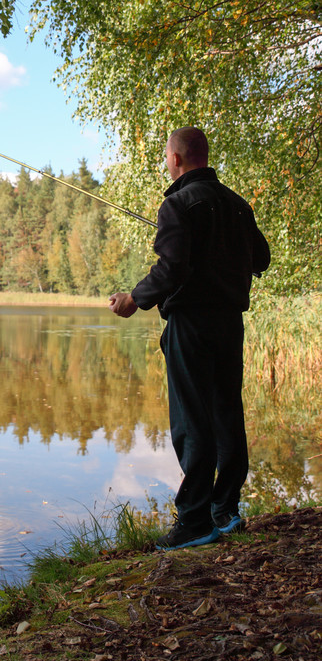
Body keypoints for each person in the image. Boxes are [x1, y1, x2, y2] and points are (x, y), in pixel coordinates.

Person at [109, 127, 270, 551]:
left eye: (166, 155)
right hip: (229, 323)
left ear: (177, 159)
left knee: (191, 418)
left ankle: (196, 520)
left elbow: (171, 269)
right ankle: (226, 508)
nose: (166, 161)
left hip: (192, 324)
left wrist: (134, 299)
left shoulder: (177, 203)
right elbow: (263, 259)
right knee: (225, 411)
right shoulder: (237, 204)